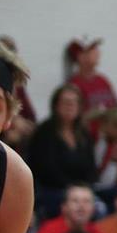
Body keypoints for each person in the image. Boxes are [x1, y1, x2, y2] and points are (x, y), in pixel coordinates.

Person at [24, 84, 96, 216]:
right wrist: (72, 189)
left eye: (75, 102)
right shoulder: (44, 131)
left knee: (101, 202)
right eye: (66, 102)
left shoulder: (83, 133)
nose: (70, 106)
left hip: (81, 191)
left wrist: (84, 188)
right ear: (56, 105)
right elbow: (46, 169)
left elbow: (91, 166)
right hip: (52, 191)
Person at [64, 37, 117, 114]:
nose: (97, 52)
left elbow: (116, 106)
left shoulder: (103, 80)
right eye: (92, 50)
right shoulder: (74, 86)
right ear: (80, 57)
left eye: (96, 49)